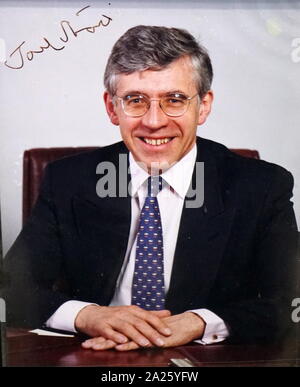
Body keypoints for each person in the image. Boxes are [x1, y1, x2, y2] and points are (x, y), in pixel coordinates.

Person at [3, 25, 298, 352]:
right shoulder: (68, 181)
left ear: (203, 106)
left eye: (175, 99)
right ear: (112, 108)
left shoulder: (261, 186)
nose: (154, 121)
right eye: (135, 100)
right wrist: (87, 315)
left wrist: (198, 321)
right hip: (97, 357)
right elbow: (12, 288)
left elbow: (290, 301)